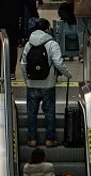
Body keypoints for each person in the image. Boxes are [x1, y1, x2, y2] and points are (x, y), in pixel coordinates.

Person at [21, 18, 73, 148]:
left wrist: (27, 80)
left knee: (31, 112)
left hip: (32, 84)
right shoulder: (52, 44)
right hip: (48, 84)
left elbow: (23, 64)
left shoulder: (29, 44)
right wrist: (68, 74)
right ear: (47, 29)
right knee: (49, 112)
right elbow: (58, 63)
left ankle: (32, 139)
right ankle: (50, 139)